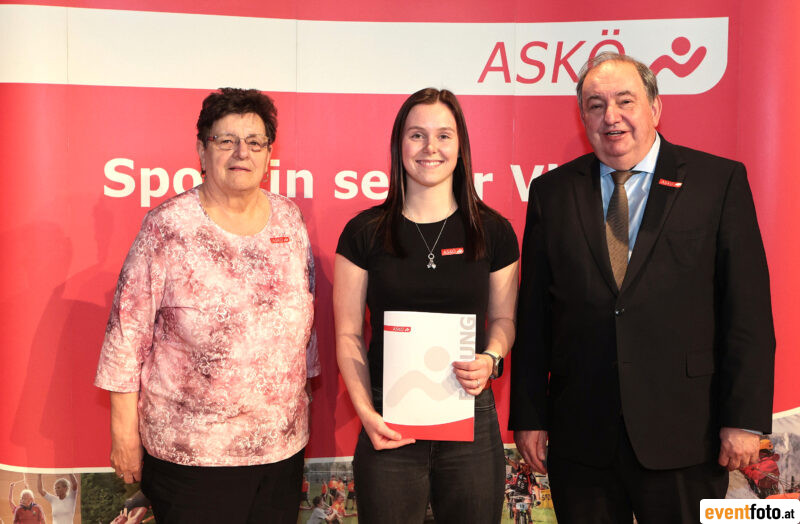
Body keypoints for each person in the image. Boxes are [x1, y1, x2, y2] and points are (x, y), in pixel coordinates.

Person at [509, 52, 775, 523]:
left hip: (687, 436)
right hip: (582, 439)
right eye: (595, 105)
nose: (610, 116)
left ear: (655, 107)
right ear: (583, 117)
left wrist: (744, 419)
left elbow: (747, 311)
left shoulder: (717, 182)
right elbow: (534, 318)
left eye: (624, 101)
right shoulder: (552, 192)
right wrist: (530, 416)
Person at [95, 87, 319, 524]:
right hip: (192, 457)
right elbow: (126, 335)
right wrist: (124, 434)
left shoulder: (289, 219)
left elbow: (304, 315)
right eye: (226, 140)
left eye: (254, 142)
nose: (242, 152)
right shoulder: (168, 227)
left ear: (269, 154)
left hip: (280, 450)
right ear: (202, 150)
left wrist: (303, 391)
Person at [334, 87, 519, 523]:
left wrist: (491, 358)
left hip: (470, 415)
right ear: (399, 145)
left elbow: (504, 319)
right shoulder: (363, 232)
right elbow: (347, 333)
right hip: (387, 421)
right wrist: (366, 413)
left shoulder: (493, 231)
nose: (430, 147)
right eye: (416, 135)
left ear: (461, 146)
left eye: (443, 135)